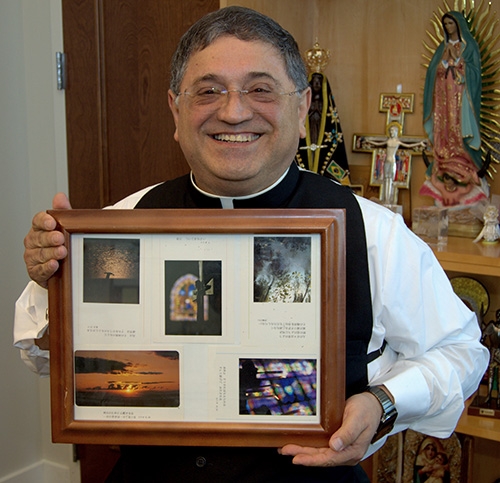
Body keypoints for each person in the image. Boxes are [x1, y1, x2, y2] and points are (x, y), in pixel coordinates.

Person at [14, 6, 488, 482]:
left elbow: (461, 351)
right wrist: (52, 279)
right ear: (176, 112)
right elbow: (45, 356)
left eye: (260, 89)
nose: (234, 111)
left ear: (302, 108)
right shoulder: (119, 225)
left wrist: (381, 401)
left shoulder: (372, 231)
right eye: (208, 90)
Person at [421, 11, 487, 206]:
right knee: (445, 128)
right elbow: (433, 73)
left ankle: (463, 163)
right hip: (443, 99)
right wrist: (444, 62)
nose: (449, 27)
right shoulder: (442, 48)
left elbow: (475, 74)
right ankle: (443, 163)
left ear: (458, 25)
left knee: (459, 128)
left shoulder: (469, 46)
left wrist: (459, 63)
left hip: (461, 100)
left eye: (451, 23)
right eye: (446, 24)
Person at [363, 123, 426, 205]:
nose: (391, 132)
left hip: (393, 162)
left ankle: (389, 200)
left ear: (396, 132)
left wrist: (419, 144)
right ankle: (385, 200)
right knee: (385, 180)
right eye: (390, 130)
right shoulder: (388, 141)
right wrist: (369, 141)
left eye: (393, 130)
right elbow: (378, 143)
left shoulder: (397, 142)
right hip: (386, 162)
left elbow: (409, 145)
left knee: (390, 180)